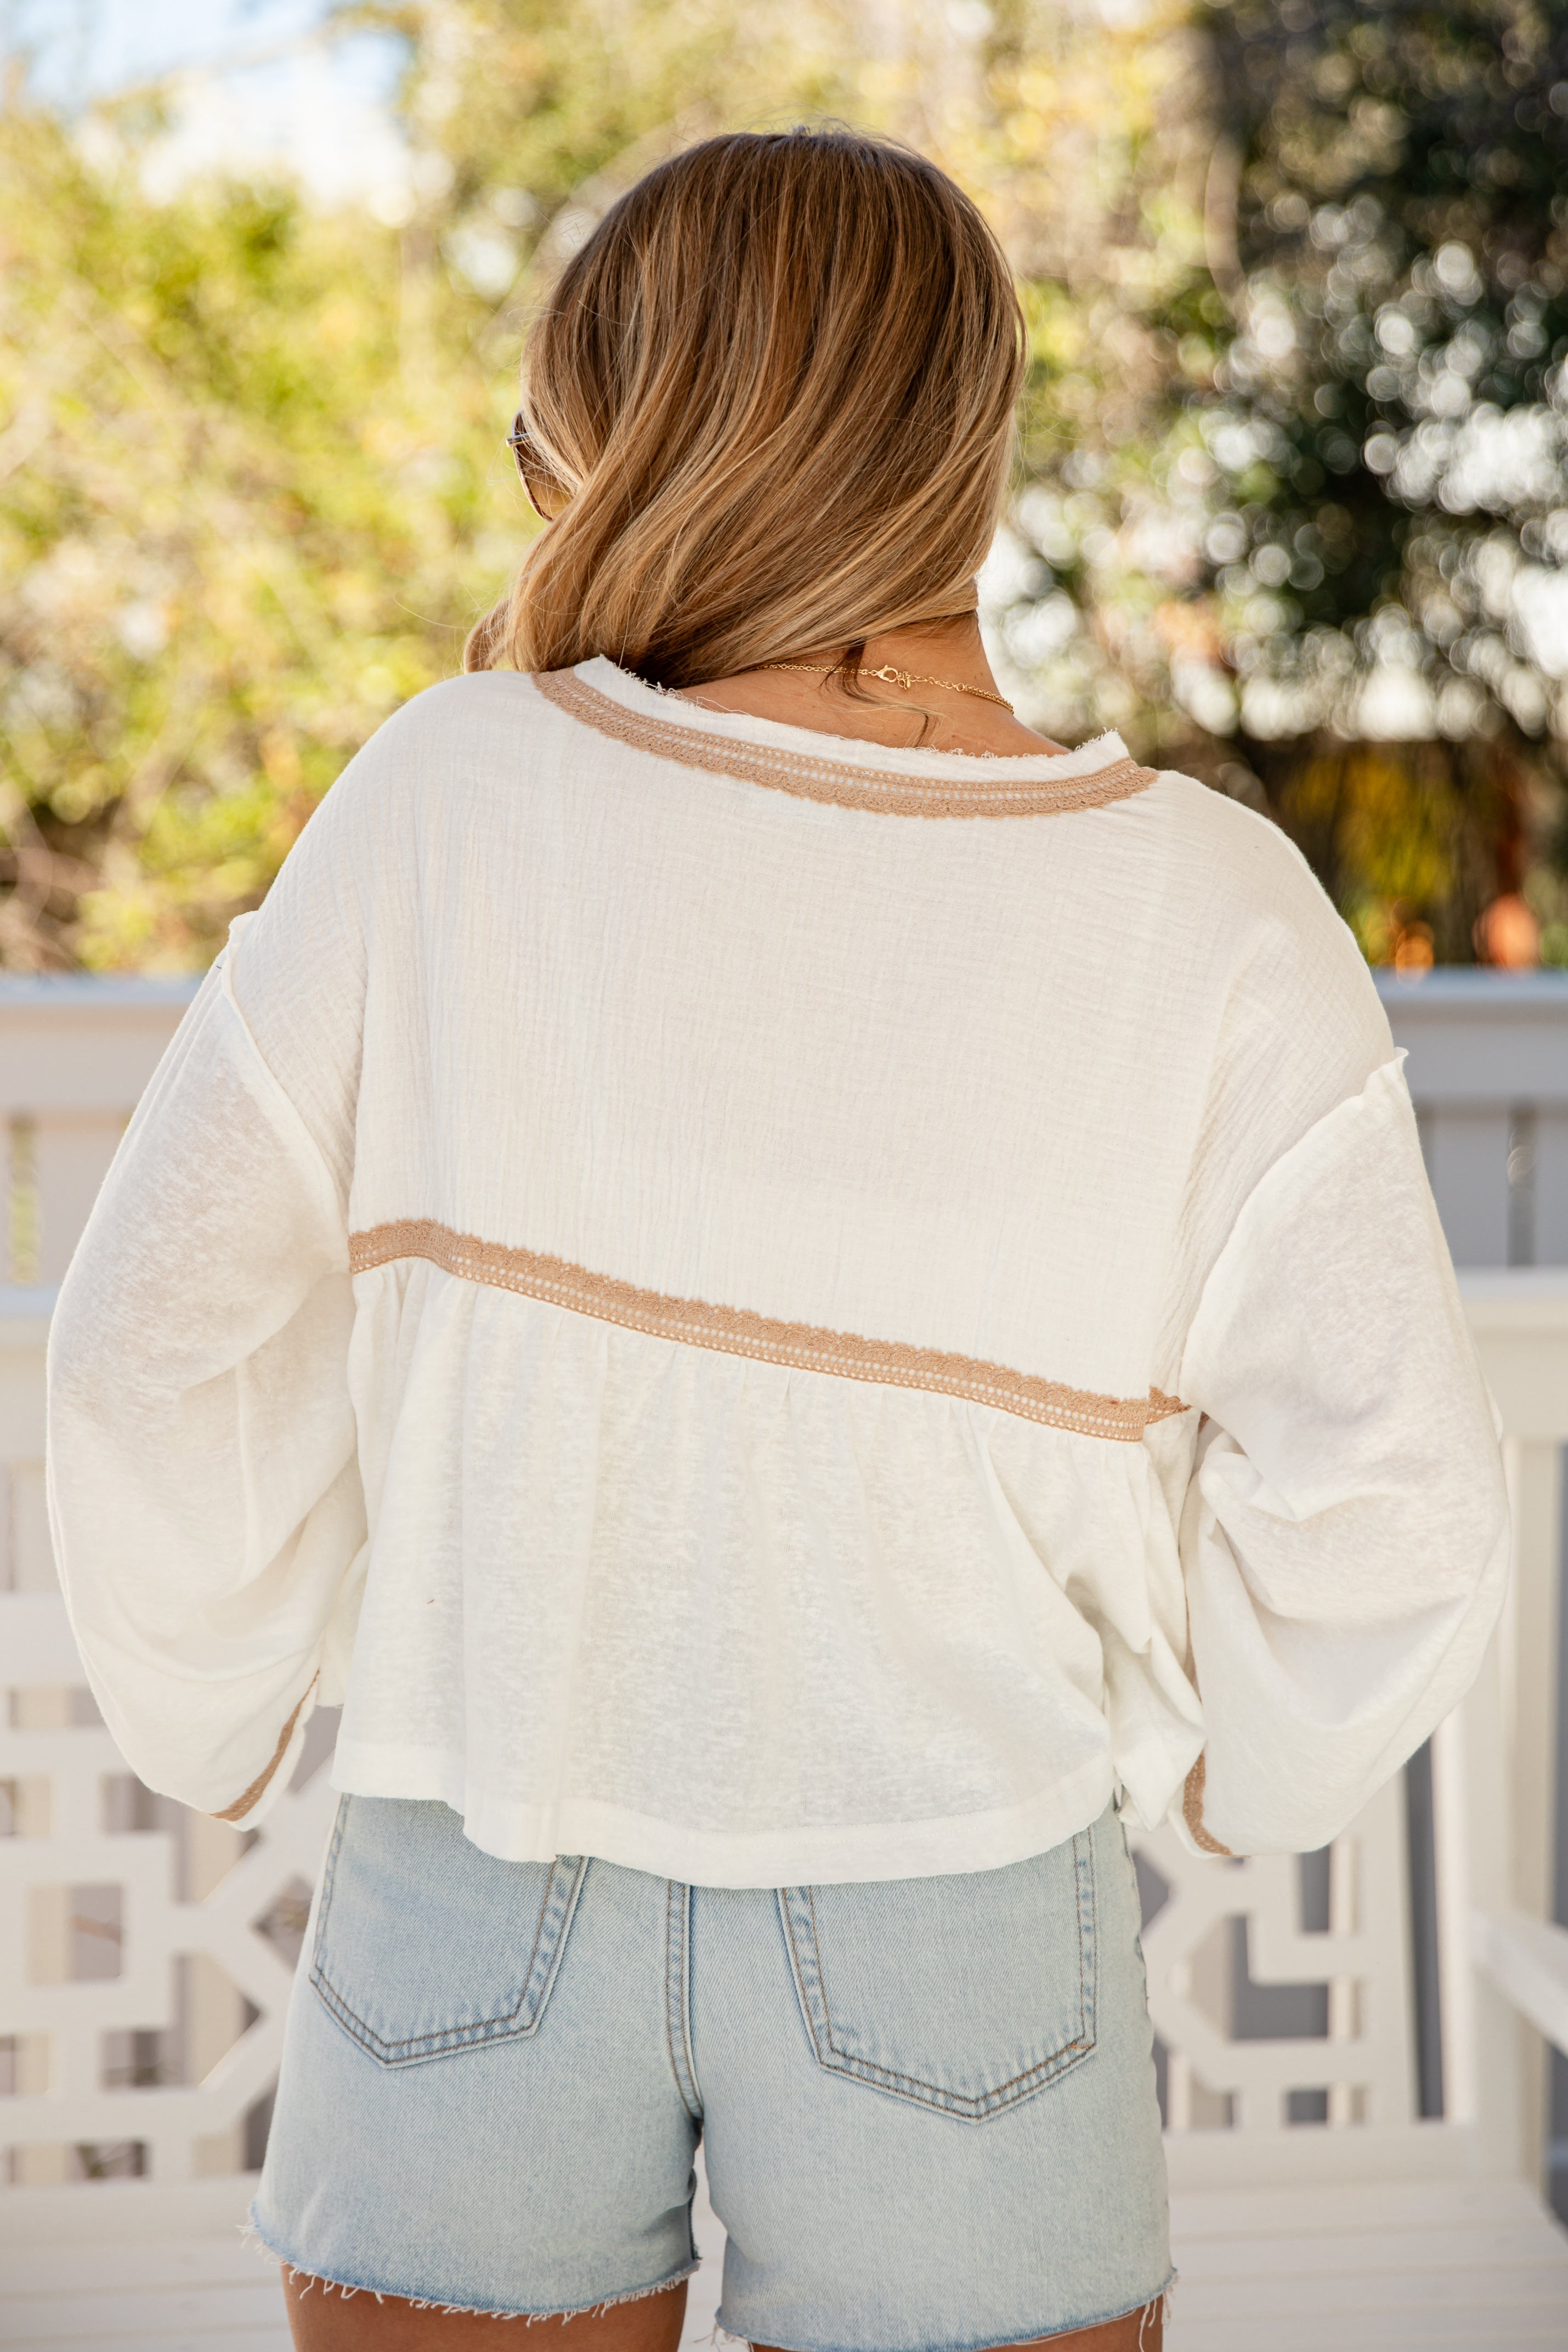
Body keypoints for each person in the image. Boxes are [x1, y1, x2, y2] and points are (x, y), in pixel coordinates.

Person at [46, 128, 1507, 2352]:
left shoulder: (451, 793)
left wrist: (221, 1690)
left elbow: (151, 1338)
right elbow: (1394, 1498)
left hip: (469, 1864)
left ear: (629, 425)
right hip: (972, 1896)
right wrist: (1236, 1759)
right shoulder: (1207, 912)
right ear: (967, 440)